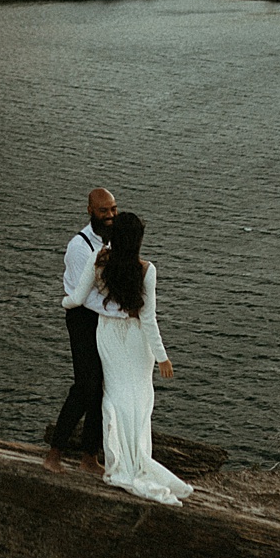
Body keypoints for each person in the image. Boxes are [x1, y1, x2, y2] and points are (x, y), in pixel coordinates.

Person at [63, 210, 193, 505]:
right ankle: (137, 457)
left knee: (115, 396)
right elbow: (148, 320)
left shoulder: (98, 260)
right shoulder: (147, 269)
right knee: (139, 399)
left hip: (108, 336)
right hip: (137, 342)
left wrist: (63, 301)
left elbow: (78, 298)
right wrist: (162, 357)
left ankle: (116, 458)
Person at [44, 187, 119, 475]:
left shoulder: (112, 242)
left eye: (113, 209)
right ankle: (55, 451)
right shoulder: (79, 246)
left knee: (104, 388)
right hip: (82, 319)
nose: (111, 215)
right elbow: (83, 295)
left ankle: (90, 456)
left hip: (104, 319)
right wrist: (121, 311)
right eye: (104, 210)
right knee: (85, 386)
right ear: (90, 211)